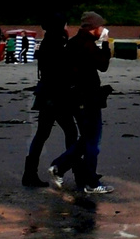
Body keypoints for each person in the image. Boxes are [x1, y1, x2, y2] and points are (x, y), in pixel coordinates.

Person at [52, 12, 114, 194]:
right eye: (101, 27)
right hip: (88, 98)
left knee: (87, 139)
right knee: (93, 141)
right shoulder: (86, 44)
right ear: (94, 28)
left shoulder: (73, 43)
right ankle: (90, 182)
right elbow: (103, 64)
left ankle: (61, 167)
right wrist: (105, 42)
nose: (103, 29)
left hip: (75, 98)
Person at [23, 12, 78, 188]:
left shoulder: (48, 42)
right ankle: (74, 169)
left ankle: (30, 173)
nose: (68, 28)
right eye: (66, 25)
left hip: (47, 95)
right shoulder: (57, 44)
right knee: (70, 132)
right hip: (56, 96)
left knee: (42, 135)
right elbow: (62, 71)